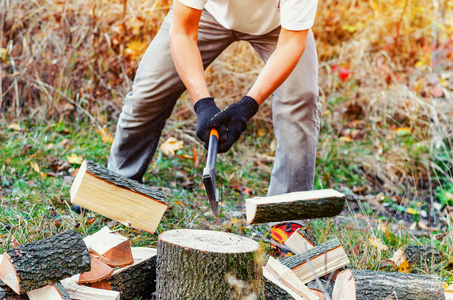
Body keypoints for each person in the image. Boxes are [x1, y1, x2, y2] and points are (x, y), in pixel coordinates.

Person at [108, 0, 322, 247]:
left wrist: (248, 105)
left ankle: (287, 218)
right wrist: (203, 104)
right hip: (209, 14)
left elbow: (292, 42)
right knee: (147, 94)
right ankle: (118, 184)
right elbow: (183, 31)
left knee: (301, 100)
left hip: (278, 26)